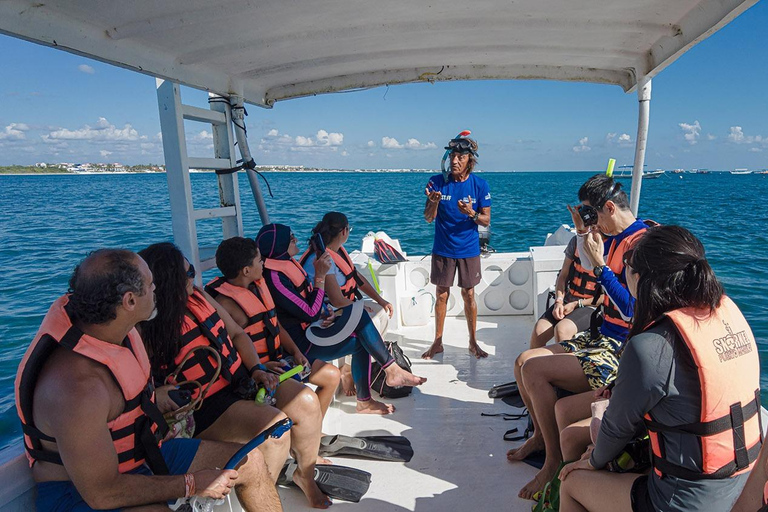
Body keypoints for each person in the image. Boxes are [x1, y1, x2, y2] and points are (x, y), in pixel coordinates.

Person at [15, 249, 281, 511]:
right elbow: (102, 494)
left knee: (250, 463)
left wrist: (158, 396)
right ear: (130, 301)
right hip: (80, 493)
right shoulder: (78, 388)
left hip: (145, 454)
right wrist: (190, 484)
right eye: (151, 284)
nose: (157, 290)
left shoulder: (120, 330)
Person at [559, 225, 761, 512]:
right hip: (745, 483)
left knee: (573, 482)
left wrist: (590, 461)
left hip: (686, 500)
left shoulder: (651, 346)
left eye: (626, 267)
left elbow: (616, 430)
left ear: (639, 278)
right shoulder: (729, 314)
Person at [138, 242, 331, 509]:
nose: (193, 277)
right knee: (275, 430)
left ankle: (304, 476)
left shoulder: (200, 297)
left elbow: (239, 335)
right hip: (204, 405)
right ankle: (259, 495)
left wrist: (257, 370)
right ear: (169, 281)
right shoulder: (147, 325)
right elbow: (136, 379)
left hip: (241, 381)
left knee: (307, 403)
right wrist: (156, 393)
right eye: (188, 273)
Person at [508, 174, 652, 500]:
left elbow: (632, 309)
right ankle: (542, 437)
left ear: (610, 207)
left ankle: (552, 462)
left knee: (534, 370)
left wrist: (602, 267)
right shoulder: (610, 235)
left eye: (592, 214)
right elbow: (587, 266)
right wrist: (584, 231)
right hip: (601, 336)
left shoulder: (642, 245)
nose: (591, 222)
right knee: (522, 361)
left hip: (620, 349)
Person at [257, 223, 426, 415]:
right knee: (360, 318)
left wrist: (326, 311)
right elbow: (308, 312)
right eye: (291, 237)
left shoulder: (285, 266)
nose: (295, 239)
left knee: (361, 337)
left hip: (314, 327)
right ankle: (390, 371)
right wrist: (320, 276)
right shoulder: (275, 279)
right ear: (278, 246)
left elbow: (308, 304)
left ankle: (367, 398)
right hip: (304, 342)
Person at [206, 236, 341, 418]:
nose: (263, 264)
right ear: (246, 270)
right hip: (261, 371)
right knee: (304, 400)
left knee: (332, 376)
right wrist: (258, 367)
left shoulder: (258, 286)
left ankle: (314, 432)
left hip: (281, 358)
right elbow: (228, 353)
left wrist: (295, 352)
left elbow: (274, 324)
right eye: (259, 260)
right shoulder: (226, 306)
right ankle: (302, 433)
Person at [300, 212, 394, 395]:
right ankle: (350, 371)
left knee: (381, 313)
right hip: (326, 314)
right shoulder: (322, 259)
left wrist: (381, 301)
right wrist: (357, 309)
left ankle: (351, 369)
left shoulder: (337, 252)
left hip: (344, 306)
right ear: (344, 231)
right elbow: (335, 298)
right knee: (369, 322)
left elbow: (355, 278)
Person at [422, 135, 491, 360]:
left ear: (469, 160)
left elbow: (486, 220)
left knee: (469, 294)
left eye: (460, 157)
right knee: (441, 294)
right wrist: (433, 201)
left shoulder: (480, 185)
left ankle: (473, 342)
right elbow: (428, 218)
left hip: (468, 249)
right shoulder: (436, 182)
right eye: (452, 156)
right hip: (443, 248)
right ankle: (438, 342)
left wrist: (470, 213)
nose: (455, 161)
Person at [529, 230, 601, 349]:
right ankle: (535, 365)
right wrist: (559, 301)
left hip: (591, 306)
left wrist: (577, 304)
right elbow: (563, 276)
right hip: (567, 300)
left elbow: (606, 297)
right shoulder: (575, 242)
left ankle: (563, 366)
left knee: (562, 330)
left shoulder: (608, 249)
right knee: (539, 331)